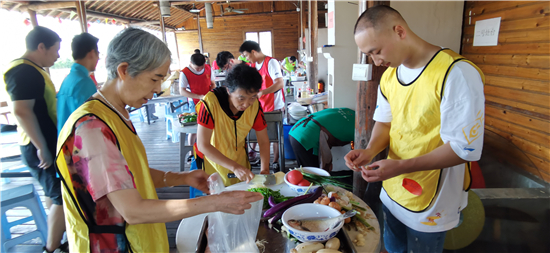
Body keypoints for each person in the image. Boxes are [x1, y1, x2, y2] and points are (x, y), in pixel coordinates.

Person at [55, 28, 263, 252]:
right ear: (124, 70)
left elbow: (128, 175)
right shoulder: (92, 128)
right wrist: (214, 203)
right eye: (155, 79)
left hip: (141, 240)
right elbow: (132, 211)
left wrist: (181, 178)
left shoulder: (114, 114)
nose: (157, 89)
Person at [345, 6, 485, 253]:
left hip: (432, 198)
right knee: (393, 248)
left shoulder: (455, 73)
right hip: (393, 189)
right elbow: (386, 122)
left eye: (376, 51)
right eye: (369, 55)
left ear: (399, 31)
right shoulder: (390, 77)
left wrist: (400, 166)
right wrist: (369, 151)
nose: (376, 61)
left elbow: (463, 149)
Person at [4, 26, 67, 253]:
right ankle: (51, 248)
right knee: (60, 196)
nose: (58, 56)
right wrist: (41, 146)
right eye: (55, 50)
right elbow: (21, 111)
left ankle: (58, 237)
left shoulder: (32, 69)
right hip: (38, 145)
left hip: (44, 143)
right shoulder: (23, 71)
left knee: (54, 194)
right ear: (41, 47)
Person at [195, 63, 271, 186]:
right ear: (228, 90)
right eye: (241, 98)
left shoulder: (255, 106)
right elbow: (202, 145)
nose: (247, 104)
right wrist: (234, 167)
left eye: (252, 97)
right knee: (218, 199)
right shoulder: (209, 103)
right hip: (214, 164)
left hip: (241, 162)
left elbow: (263, 141)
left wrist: (265, 170)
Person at [239, 41, 285, 170]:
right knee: (263, 135)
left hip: (274, 105)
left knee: (275, 137)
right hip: (261, 105)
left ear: (253, 51)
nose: (247, 58)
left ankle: (275, 161)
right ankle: (261, 158)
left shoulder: (271, 62)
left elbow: (280, 83)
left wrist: (262, 92)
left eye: (247, 55)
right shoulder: (254, 65)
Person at [57, 32, 99, 132]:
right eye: (98, 55)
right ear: (92, 53)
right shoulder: (84, 83)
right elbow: (91, 125)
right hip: (78, 144)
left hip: (65, 142)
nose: (98, 59)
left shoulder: (68, 80)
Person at [289, 108, 355, 172]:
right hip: (306, 138)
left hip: (296, 129)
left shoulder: (349, 112)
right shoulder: (356, 129)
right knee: (313, 175)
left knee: (306, 172)